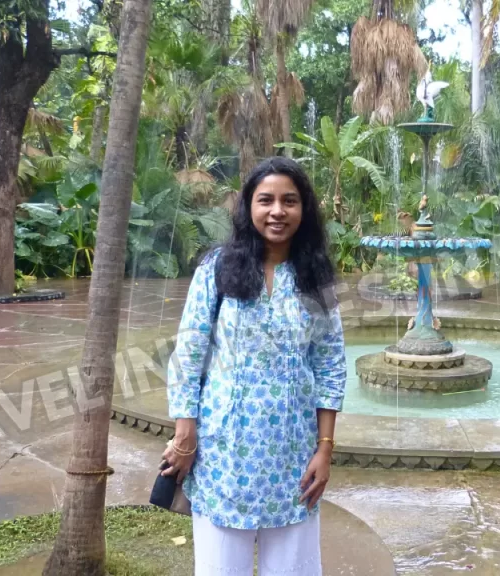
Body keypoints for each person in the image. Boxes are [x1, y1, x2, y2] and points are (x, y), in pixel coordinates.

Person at [163, 157, 347, 575]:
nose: (277, 211)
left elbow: (331, 364)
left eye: (290, 201)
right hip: (223, 453)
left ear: (304, 209)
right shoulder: (218, 268)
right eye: (266, 200)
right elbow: (189, 353)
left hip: (293, 456)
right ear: (248, 206)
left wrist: (325, 449)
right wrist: (185, 433)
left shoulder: (314, 278)